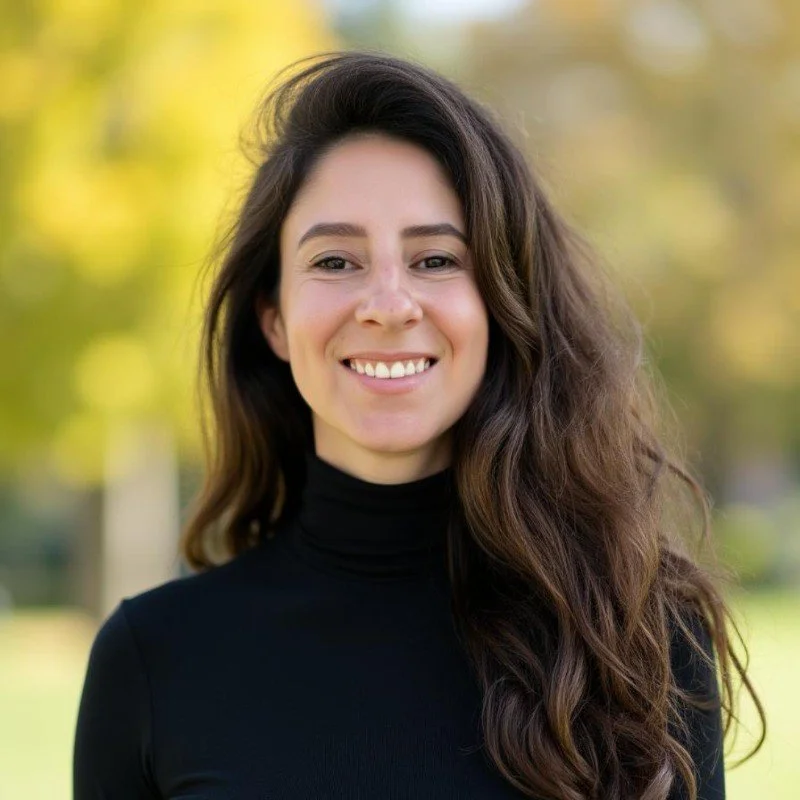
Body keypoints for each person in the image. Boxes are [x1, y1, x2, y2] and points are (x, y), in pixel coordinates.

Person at [73, 51, 765, 799]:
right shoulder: (156, 661)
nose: (388, 304)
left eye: (435, 259)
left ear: (502, 305)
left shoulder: (638, 639)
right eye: (335, 261)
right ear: (274, 319)